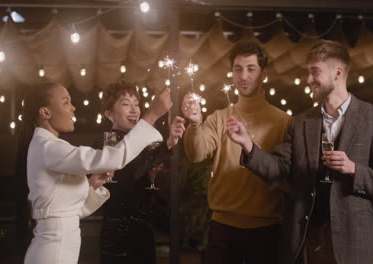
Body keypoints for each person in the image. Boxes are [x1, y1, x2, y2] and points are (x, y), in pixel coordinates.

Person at [226, 39, 373, 264]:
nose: (308, 80)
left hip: (352, 241)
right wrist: (247, 144)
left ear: (337, 73)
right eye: (308, 72)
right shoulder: (301, 122)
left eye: (314, 72)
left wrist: (353, 168)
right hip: (306, 237)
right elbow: (278, 168)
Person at [17, 82, 172, 264]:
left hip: (56, 250)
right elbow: (113, 158)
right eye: (66, 102)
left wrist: (91, 185)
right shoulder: (48, 147)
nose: (73, 108)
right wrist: (152, 115)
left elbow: (70, 211)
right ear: (45, 112)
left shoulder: (47, 146)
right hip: (53, 253)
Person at [181, 40, 292, 264]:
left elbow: (286, 175)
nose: (243, 76)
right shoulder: (219, 117)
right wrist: (194, 125)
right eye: (238, 69)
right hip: (222, 227)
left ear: (264, 74)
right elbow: (196, 154)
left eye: (251, 69)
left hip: (266, 229)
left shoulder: (283, 121)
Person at [96, 80, 185, 263]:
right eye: (126, 104)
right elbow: (133, 170)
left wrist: (169, 142)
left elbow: (145, 165)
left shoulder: (139, 141)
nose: (134, 110)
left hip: (143, 229)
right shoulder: (108, 140)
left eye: (136, 104)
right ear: (109, 114)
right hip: (118, 232)